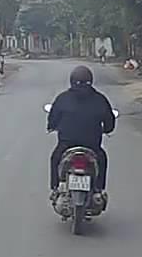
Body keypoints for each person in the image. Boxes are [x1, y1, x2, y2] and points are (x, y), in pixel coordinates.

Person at [47, 65, 116, 202]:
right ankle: (98, 190)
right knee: (102, 159)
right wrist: (107, 129)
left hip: (67, 145)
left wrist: (51, 126)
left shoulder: (63, 98)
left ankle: (55, 188)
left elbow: (53, 118)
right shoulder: (100, 99)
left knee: (55, 158)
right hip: (92, 145)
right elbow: (109, 122)